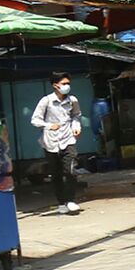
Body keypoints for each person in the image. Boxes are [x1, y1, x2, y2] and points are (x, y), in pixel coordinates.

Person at [30, 73, 84, 215]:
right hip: (51, 143)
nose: (67, 86)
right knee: (56, 175)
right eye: (64, 83)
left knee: (71, 171)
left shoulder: (72, 100)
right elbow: (35, 120)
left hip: (68, 140)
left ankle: (71, 200)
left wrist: (76, 127)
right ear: (56, 85)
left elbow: (76, 115)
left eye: (68, 83)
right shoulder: (46, 101)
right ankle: (62, 202)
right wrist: (48, 125)